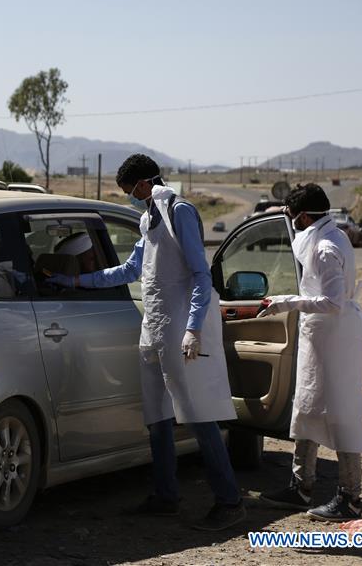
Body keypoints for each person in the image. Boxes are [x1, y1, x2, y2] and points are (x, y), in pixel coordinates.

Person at [47, 153, 244, 531]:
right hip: (153, 330)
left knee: (199, 416)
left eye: (128, 191)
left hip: (179, 332)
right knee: (157, 419)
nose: (129, 198)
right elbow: (131, 270)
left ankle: (230, 501)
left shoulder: (179, 212)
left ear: (141, 184)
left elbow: (202, 276)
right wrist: (74, 282)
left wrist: (193, 327)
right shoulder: (146, 218)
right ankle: (166, 496)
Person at [259, 183, 362, 521]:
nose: (290, 221)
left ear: (303, 216)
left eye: (290, 215)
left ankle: (350, 497)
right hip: (319, 339)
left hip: (335, 340)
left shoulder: (326, 246)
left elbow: (333, 302)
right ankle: (301, 486)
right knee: (307, 408)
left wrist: (288, 302)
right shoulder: (324, 236)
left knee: (341, 413)